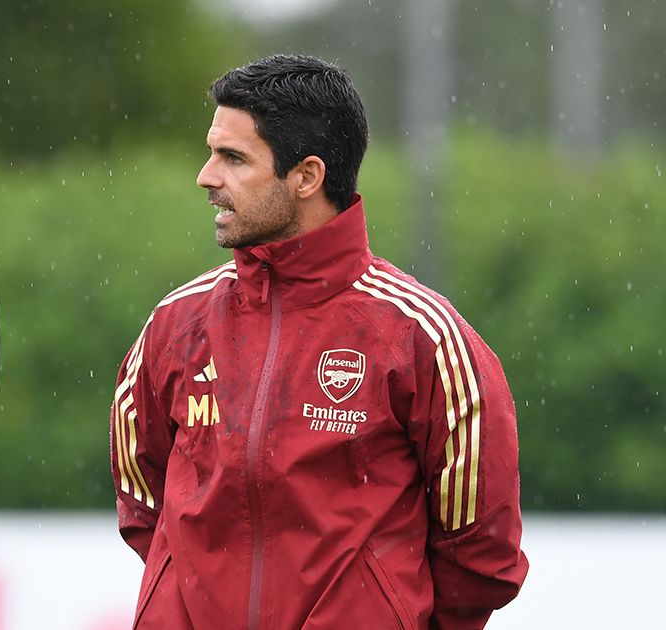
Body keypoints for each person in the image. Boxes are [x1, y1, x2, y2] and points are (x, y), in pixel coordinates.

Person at [110, 55, 528, 629]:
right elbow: (143, 507)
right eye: (212, 152)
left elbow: (480, 553)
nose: (206, 177)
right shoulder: (174, 325)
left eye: (232, 158)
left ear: (306, 176)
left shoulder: (422, 337)